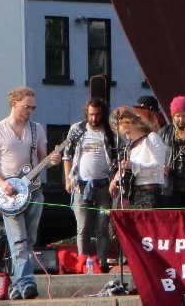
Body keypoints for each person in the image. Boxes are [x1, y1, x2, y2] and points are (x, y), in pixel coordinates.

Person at [0, 86, 58, 300]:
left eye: (33, 108)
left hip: (34, 190)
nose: (30, 112)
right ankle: (27, 283)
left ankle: (16, 285)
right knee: (19, 240)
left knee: (29, 239)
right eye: (26, 107)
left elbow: (44, 159)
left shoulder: (36, 129)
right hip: (10, 193)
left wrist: (53, 161)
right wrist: (1, 183)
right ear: (13, 103)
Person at [63, 98, 117, 271]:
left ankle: (101, 261)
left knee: (103, 225)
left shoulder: (109, 132)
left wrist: (114, 180)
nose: (94, 118)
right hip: (81, 185)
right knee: (83, 227)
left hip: (103, 185)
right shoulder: (77, 129)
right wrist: (67, 178)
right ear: (87, 113)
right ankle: (83, 263)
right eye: (91, 115)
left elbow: (117, 158)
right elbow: (67, 155)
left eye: (98, 115)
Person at [110, 106, 167, 209]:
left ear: (134, 124)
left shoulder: (152, 137)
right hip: (135, 194)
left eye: (128, 132)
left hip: (151, 194)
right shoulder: (133, 146)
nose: (127, 137)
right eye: (124, 135)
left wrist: (133, 165)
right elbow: (130, 171)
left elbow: (159, 166)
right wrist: (117, 179)